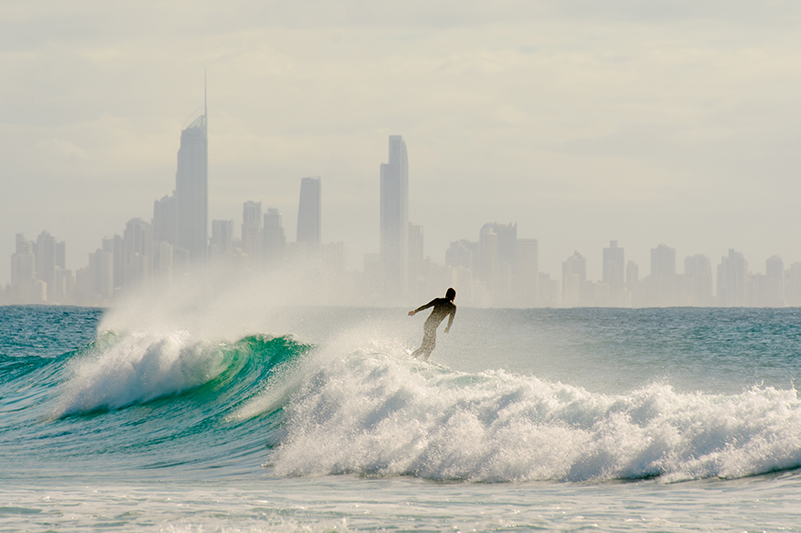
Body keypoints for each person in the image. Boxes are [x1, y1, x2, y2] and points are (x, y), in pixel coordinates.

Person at [408, 288, 457, 360]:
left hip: (427, 324)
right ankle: (419, 358)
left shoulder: (438, 300)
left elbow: (425, 306)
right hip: (431, 327)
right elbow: (451, 319)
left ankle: (416, 358)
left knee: (427, 345)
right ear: (454, 296)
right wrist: (447, 328)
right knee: (430, 345)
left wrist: (415, 311)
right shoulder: (452, 307)